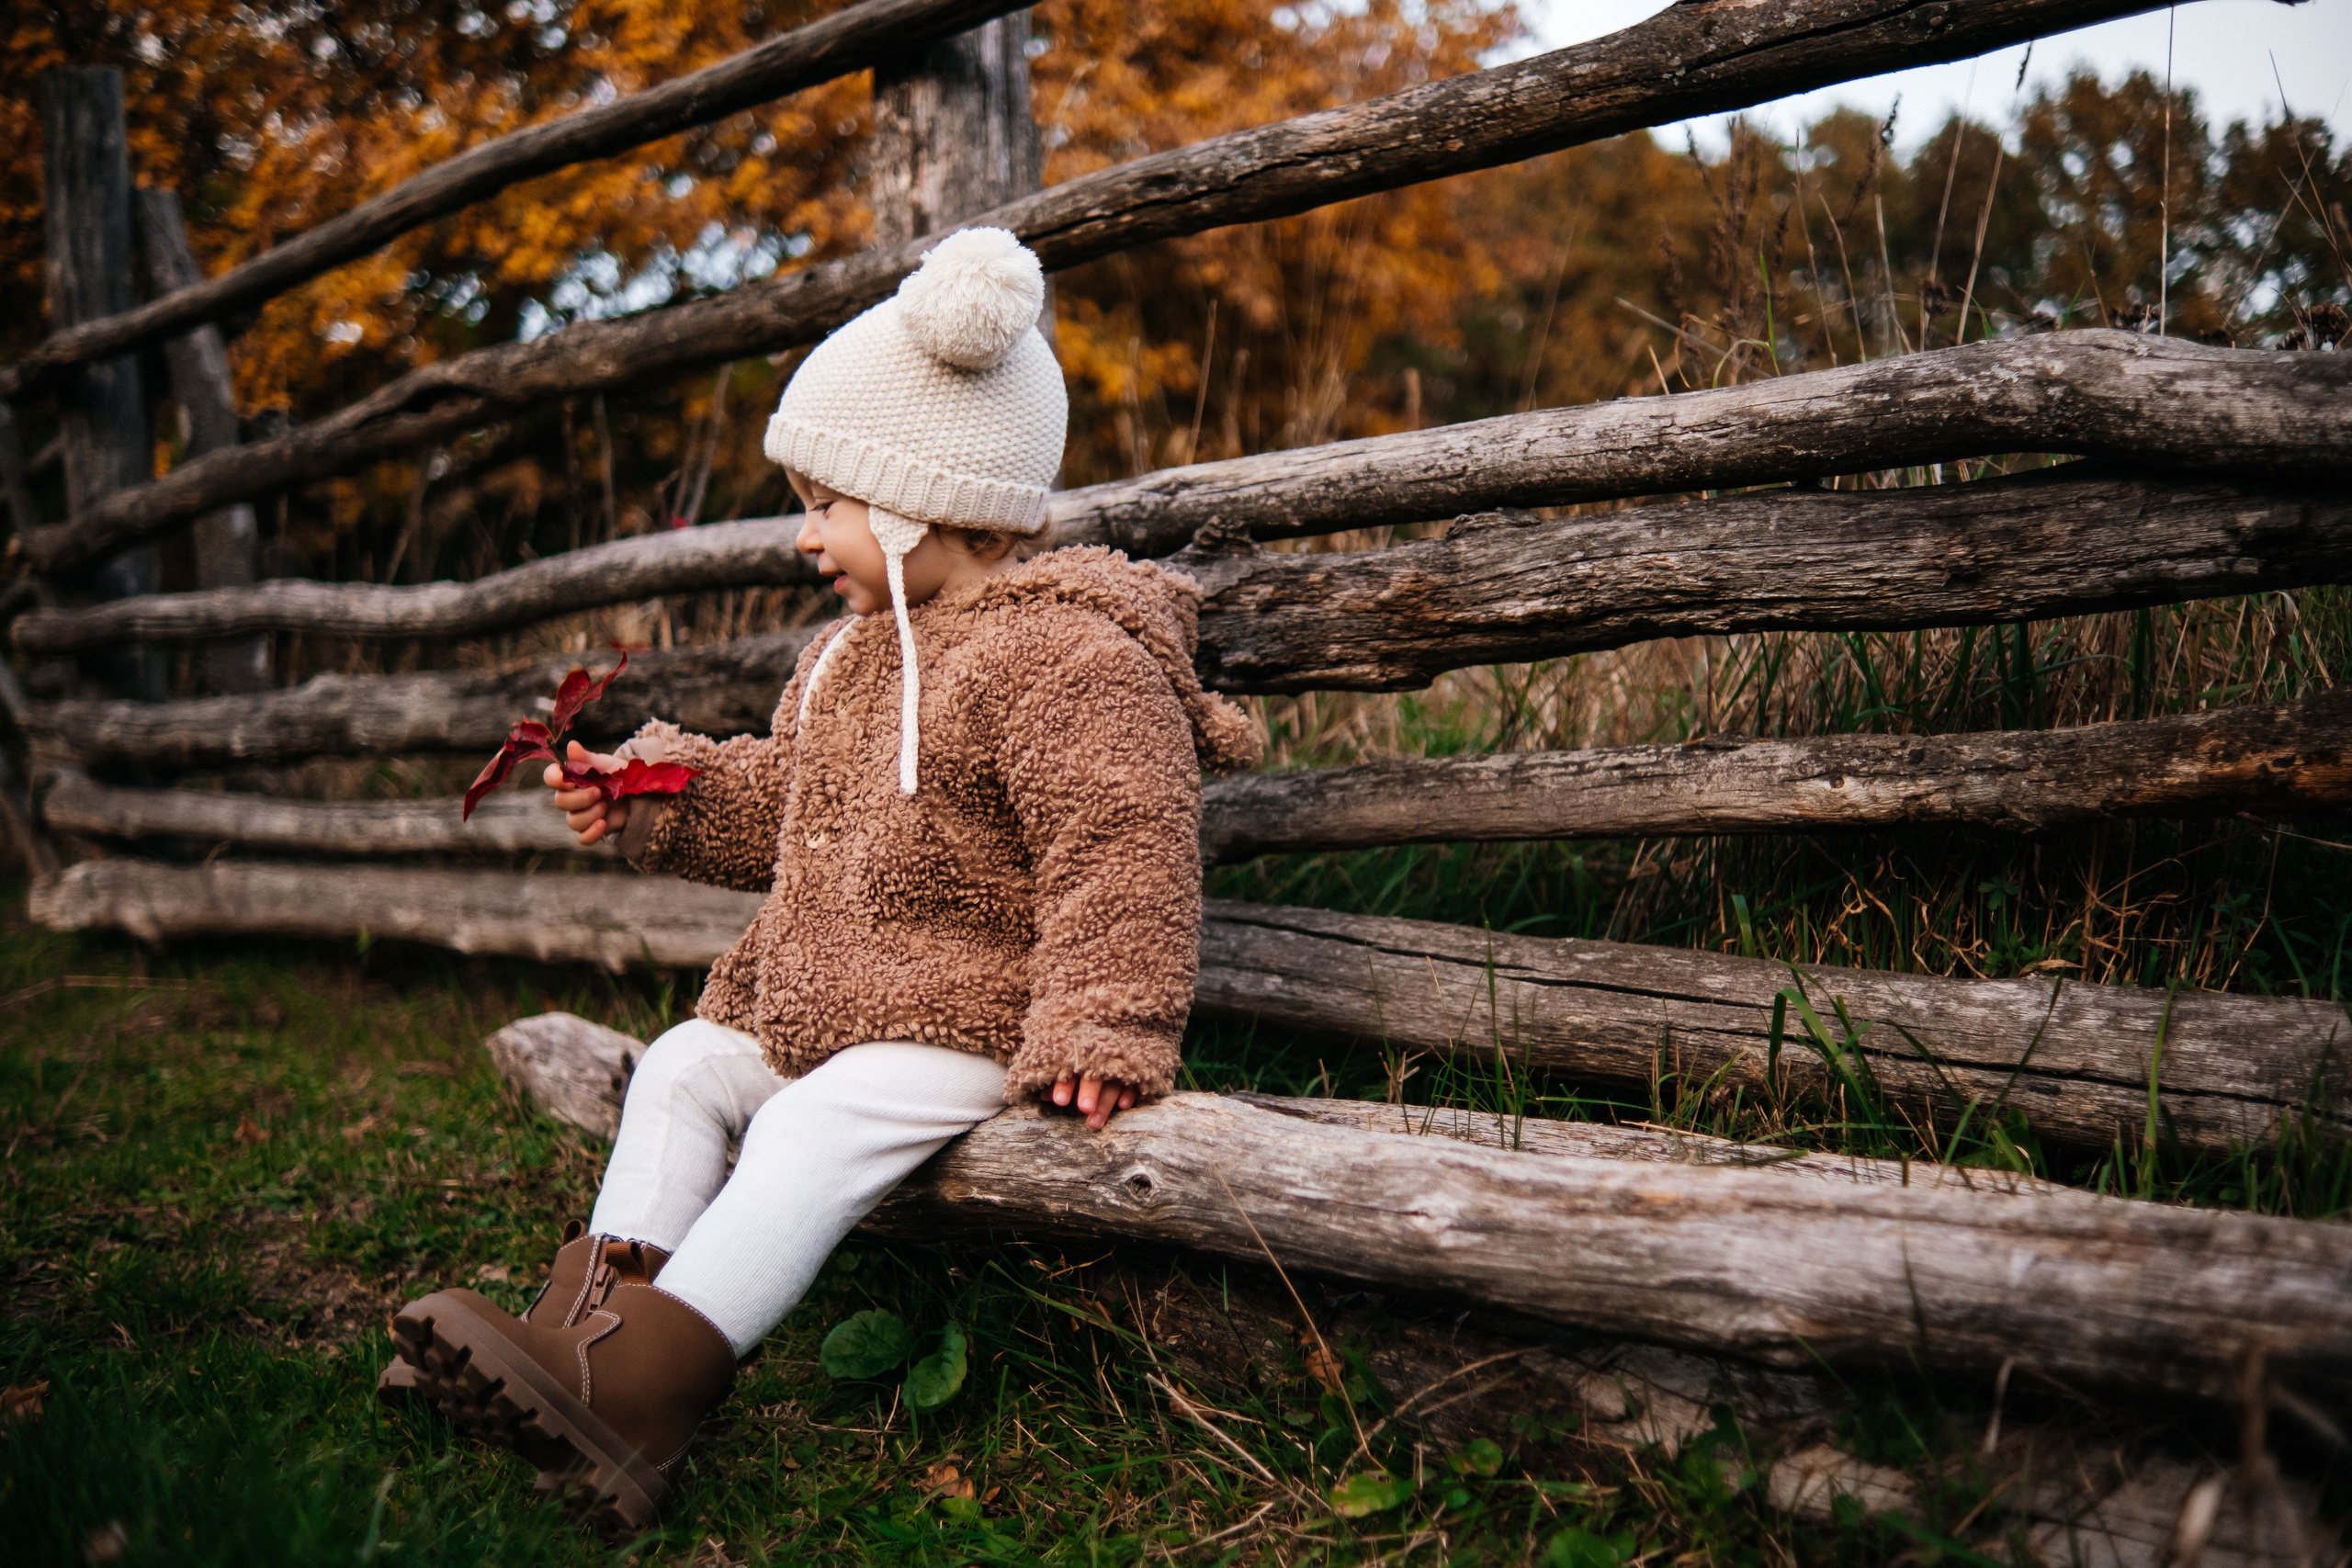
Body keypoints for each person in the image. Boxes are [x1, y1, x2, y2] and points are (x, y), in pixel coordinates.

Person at [385, 228, 1260, 1536]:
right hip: (834, 1006)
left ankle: (640, 1403)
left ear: (913, 499)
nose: (804, 538)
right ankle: (577, 1342)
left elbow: (1120, 849)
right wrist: (654, 794)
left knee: (799, 1128)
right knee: (683, 1063)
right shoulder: (847, 659)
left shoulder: (1072, 660)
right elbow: (796, 808)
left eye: (824, 502)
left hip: (974, 1017)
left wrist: (1103, 1024)